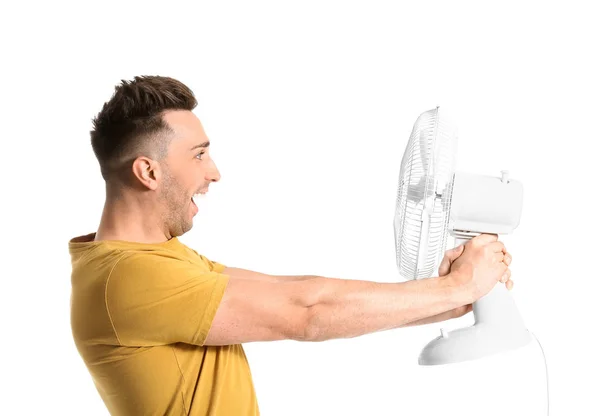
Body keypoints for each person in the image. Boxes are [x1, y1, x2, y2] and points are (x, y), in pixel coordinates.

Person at [69, 75, 513, 416]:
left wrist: (449, 298)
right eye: (199, 155)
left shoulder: (152, 258)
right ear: (148, 172)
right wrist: (456, 288)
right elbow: (306, 312)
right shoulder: (127, 277)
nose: (215, 172)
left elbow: (292, 288)